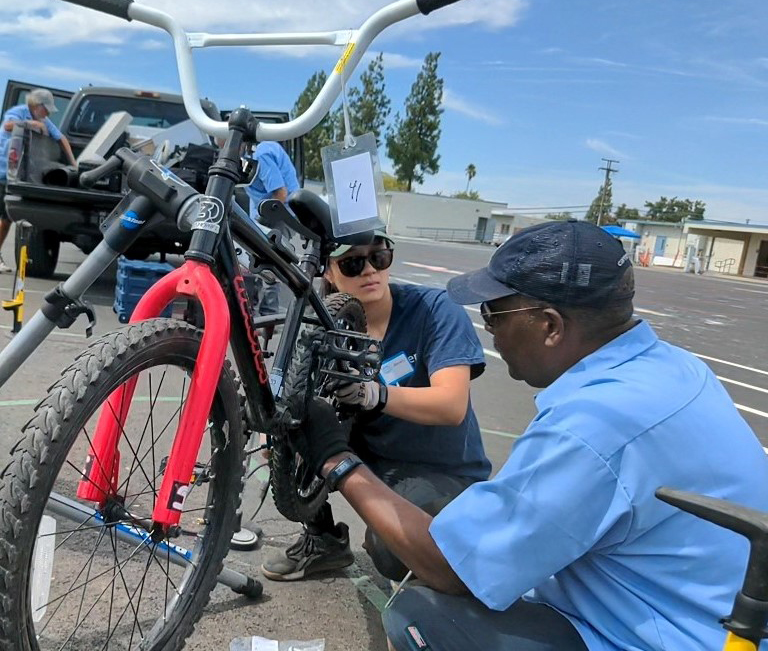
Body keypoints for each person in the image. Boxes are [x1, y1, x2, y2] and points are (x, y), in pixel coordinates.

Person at [296, 220, 768, 651]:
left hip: (666, 637)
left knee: (421, 617)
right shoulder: (674, 367)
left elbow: (451, 567)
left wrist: (338, 462)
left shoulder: (594, 426)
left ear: (549, 326)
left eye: (494, 313)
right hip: (704, 614)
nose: (489, 331)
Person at [260, 231, 491, 582]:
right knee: (296, 422)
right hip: (374, 461)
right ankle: (323, 539)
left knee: (390, 551)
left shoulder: (434, 310)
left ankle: (443, 572)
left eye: (379, 258)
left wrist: (374, 394)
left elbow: (451, 404)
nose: (370, 271)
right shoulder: (321, 325)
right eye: (352, 263)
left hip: (444, 470)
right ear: (330, 274)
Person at [0, 88, 77, 273]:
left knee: (5, 218)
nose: (49, 113)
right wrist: (30, 123)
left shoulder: (44, 120)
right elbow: (7, 126)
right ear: (36, 105)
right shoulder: (18, 112)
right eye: (46, 109)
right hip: (2, 171)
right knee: (4, 218)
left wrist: (73, 163)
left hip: (13, 176)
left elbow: (61, 137)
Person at [243, 140, 300, 317]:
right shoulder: (246, 157)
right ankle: (256, 313)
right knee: (254, 263)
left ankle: (269, 315)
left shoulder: (262, 154)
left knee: (270, 264)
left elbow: (280, 194)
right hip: (265, 216)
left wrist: (260, 223)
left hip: (280, 215)